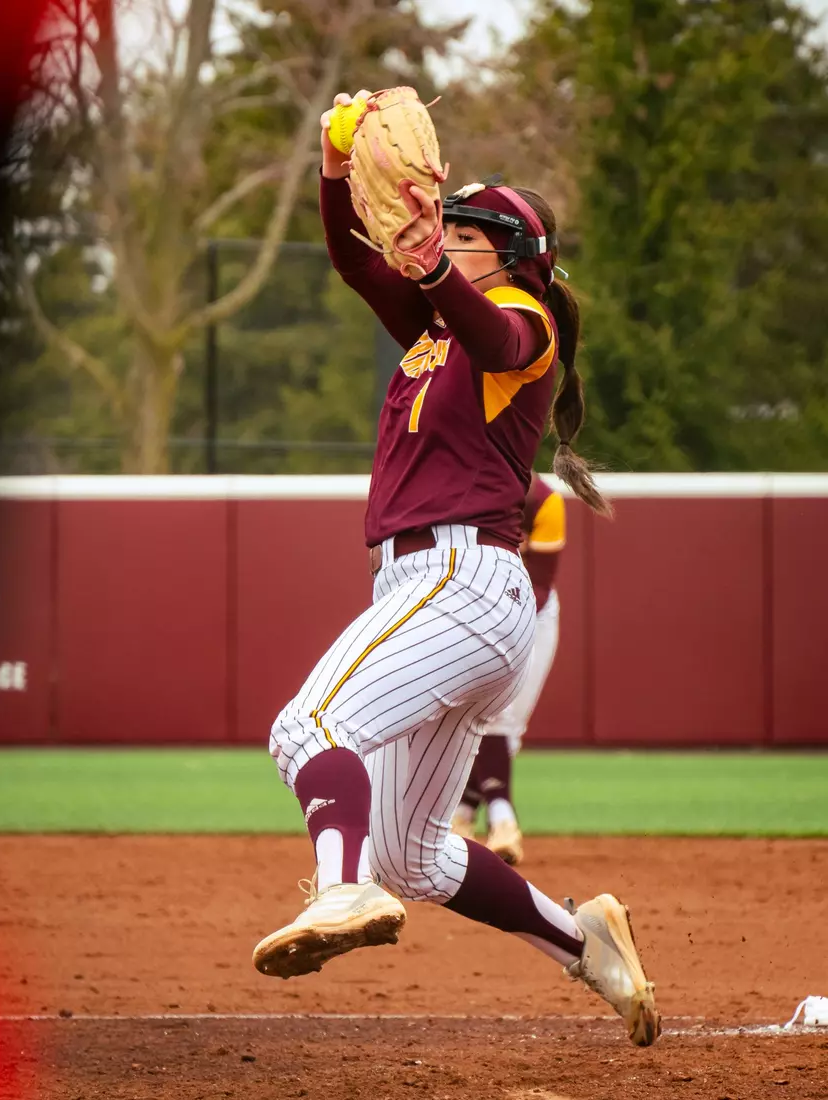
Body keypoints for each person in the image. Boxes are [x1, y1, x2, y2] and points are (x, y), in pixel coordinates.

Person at [252, 90, 660, 1047]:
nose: (441, 235)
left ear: (507, 255)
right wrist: (333, 171)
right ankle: (585, 942)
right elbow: (354, 261)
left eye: (466, 232)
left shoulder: (523, 322)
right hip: (438, 591)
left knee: (308, 724)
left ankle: (339, 889)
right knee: (415, 856)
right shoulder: (437, 329)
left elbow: (497, 336)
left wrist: (436, 262)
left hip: (462, 578)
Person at [452, 474, 565, 865]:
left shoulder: (543, 500)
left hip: (533, 613)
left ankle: (462, 815)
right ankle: (503, 820)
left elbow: (540, 584)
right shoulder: (463, 491)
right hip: (471, 610)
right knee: (493, 714)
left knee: (509, 724)